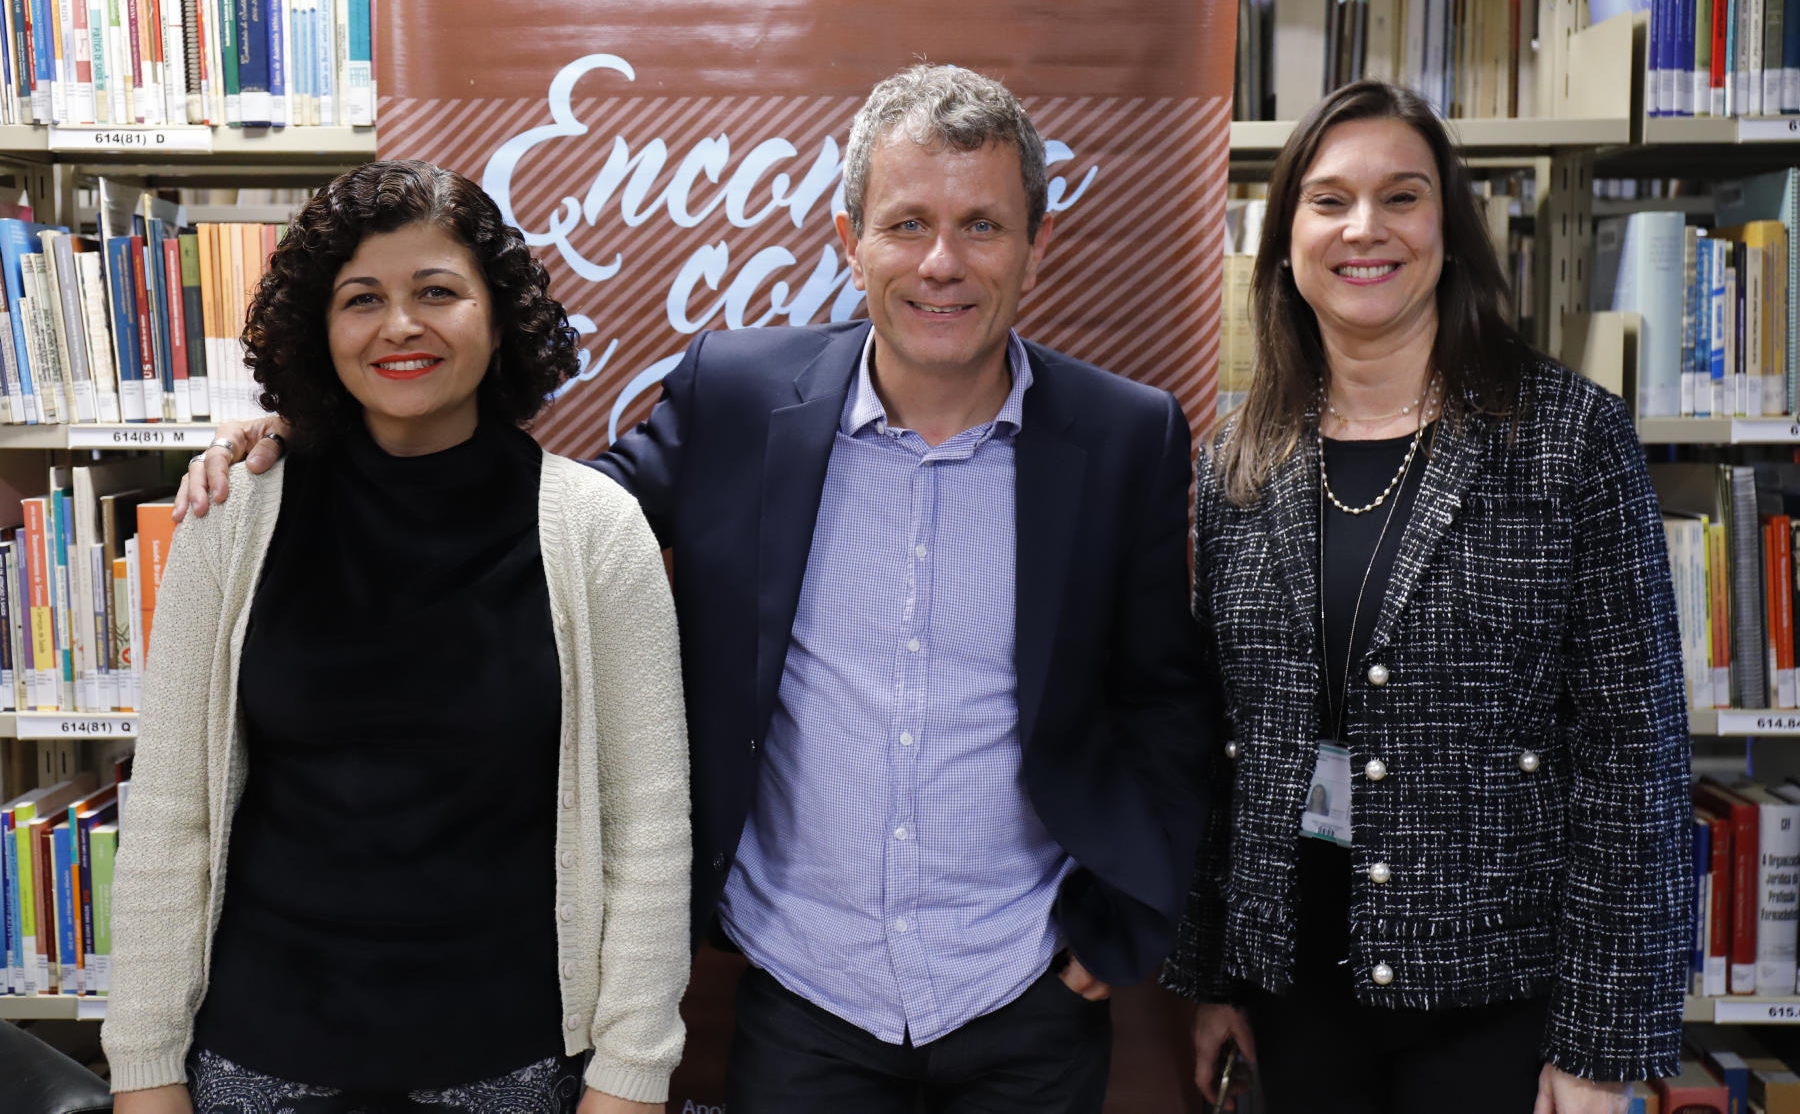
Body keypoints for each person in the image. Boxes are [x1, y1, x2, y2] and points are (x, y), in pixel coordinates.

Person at [178, 63, 1211, 1113]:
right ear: (848, 241)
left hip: (1025, 990)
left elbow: (1165, 695)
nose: (941, 262)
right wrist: (316, 436)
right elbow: (524, 520)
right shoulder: (736, 398)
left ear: (1037, 240)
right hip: (805, 997)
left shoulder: (1128, 435)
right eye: (906, 223)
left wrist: (1126, 910)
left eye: (981, 225)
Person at [105, 160, 692, 1114]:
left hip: (514, 1065)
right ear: (320, 329)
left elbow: (648, 833)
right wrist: (145, 1069)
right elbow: (173, 816)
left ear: (498, 318)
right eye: (362, 298)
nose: (401, 325)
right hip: (257, 1060)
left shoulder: (595, 531)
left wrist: (629, 1079)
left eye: (438, 292)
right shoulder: (235, 516)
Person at [1162, 79, 1691, 1114]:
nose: (1366, 228)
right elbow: (1225, 741)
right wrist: (1213, 977)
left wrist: (1601, 1043)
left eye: (1401, 197)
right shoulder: (1239, 459)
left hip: (1496, 1000)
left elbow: (1638, 757)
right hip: (1295, 989)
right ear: (1285, 242)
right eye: (1329, 200)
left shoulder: (1564, 437)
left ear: (1448, 229)